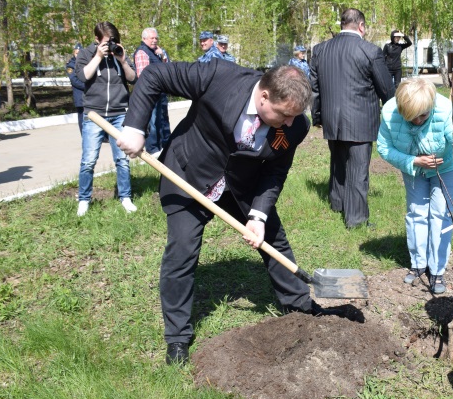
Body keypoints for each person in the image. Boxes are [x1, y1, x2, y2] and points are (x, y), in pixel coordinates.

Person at [116, 61, 345, 365]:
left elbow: (275, 172)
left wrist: (258, 216)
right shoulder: (218, 78)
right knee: (182, 251)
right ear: (264, 97)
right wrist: (135, 127)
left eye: (294, 115)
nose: (290, 123)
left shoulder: (296, 126)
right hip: (188, 174)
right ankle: (177, 337)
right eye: (284, 115)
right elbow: (156, 75)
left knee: (273, 239)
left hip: (240, 184)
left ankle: (300, 305)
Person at [377, 77, 453, 294]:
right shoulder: (390, 112)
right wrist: (413, 161)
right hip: (414, 168)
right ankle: (418, 263)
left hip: (445, 167)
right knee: (416, 213)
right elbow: (384, 147)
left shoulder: (444, 110)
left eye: (423, 115)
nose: (418, 120)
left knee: (441, 215)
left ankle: (437, 269)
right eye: (412, 116)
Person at [310, 8, 394, 229]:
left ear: (342, 24)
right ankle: (355, 220)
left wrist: (317, 116)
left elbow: (314, 89)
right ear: (361, 26)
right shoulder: (370, 50)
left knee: (338, 163)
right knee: (357, 170)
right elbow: (386, 89)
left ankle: (337, 204)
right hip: (360, 120)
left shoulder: (320, 49)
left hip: (331, 118)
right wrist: (393, 111)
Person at [75, 21, 137, 217]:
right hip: (94, 114)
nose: (111, 45)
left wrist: (123, 61)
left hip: (119, 113)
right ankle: (84, 200)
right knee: (88, 160)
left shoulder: (118, 53)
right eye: (107, 42)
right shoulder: (86, 54)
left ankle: (125, 197)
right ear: (97, 39)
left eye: (114, 41)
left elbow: (133, 78)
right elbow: (83, 76)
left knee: (122, 160)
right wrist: (98, 56)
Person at [133, 27, 171, 157]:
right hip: (150, 94)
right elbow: (143, 76)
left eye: (156, 38)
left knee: (162, 121)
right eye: (152, 38)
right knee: (152, 123)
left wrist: (163, 55)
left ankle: (163, 147)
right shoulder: (142, 52)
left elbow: (168, 69)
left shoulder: (156, 52)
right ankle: (152, 150)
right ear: (144, 39)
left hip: (160, 92)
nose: (154, 40)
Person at [66, 43, 86, 135]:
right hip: (80, 95)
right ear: (74, 53)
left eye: (80, 53)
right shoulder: (71, 65)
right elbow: (74, 81)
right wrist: (88, 86)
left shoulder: (86, 62)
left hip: (90, 95)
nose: (78, 55)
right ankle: (84, 135)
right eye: (77, 53)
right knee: (82, 117)